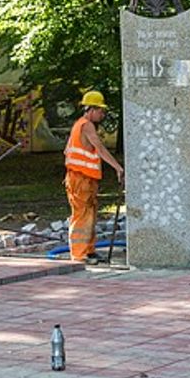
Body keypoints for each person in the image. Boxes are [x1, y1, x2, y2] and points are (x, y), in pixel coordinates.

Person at [64, 91, 125, 264]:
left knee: (89, 215)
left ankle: (89, 251)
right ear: (91, 109)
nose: (103, 115)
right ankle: (79, 254)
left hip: (85, 179)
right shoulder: (86, 125)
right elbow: (100, 148)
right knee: (82, 216)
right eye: (100, 111)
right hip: (80, 179)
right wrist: (117, 167)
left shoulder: (79, 125)